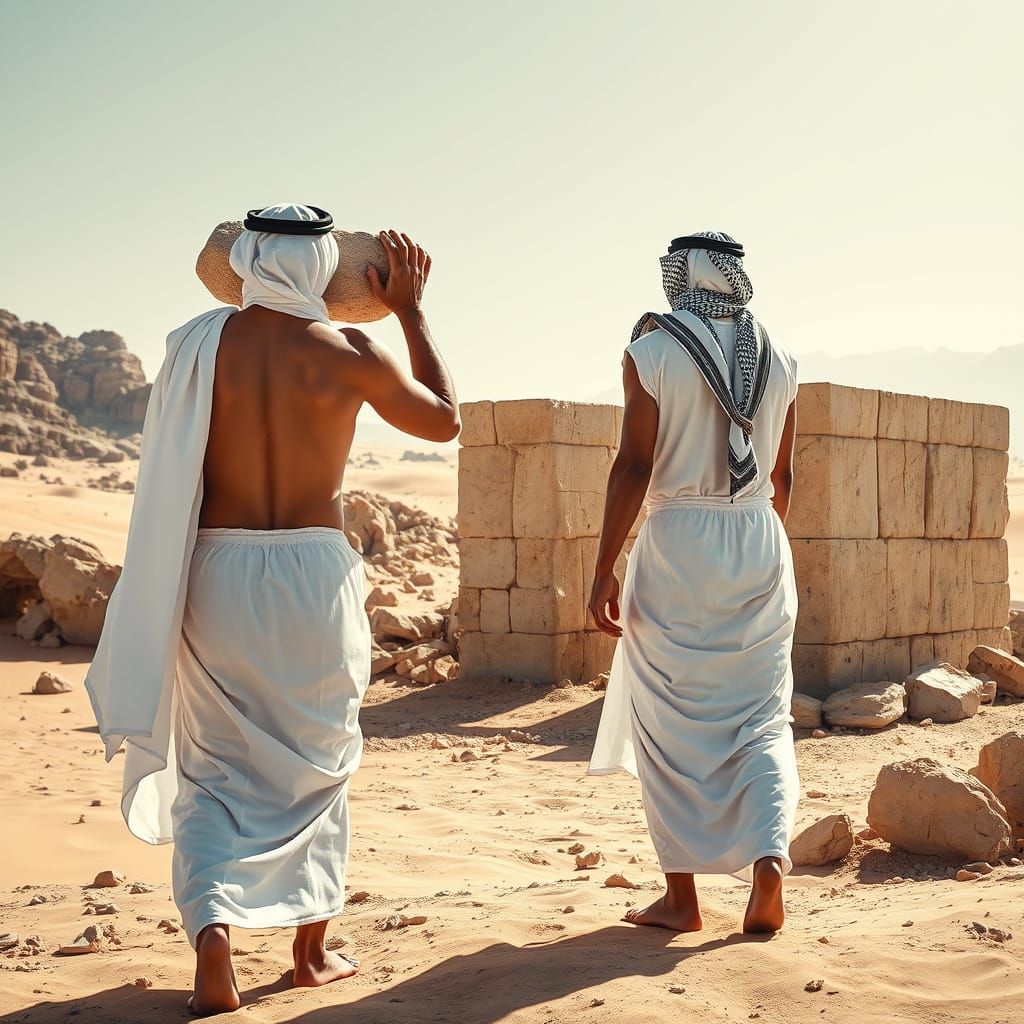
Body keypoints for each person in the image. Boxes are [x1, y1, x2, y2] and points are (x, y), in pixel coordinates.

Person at [85, 204, 459, 1015]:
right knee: (319, 764)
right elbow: (443, 419)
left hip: (215, 571)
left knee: (216, 771)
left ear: (249, 262)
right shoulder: (351, 349)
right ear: (325, 269)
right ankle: (310, 953)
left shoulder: (194, 347)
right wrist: (412, 312)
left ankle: (213, 934)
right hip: (310, 578)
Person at [587, 231, 799, 935]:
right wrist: (760, 555)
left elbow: (633, 468)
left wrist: (603, 569)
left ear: (680, 277)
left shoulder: (651, 352)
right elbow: (784, 478)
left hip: (679, 544)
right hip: (759, 538)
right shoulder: (781, 359)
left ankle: (682, 898)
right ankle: (768, 862)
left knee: (666, 723)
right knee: (761, 718)